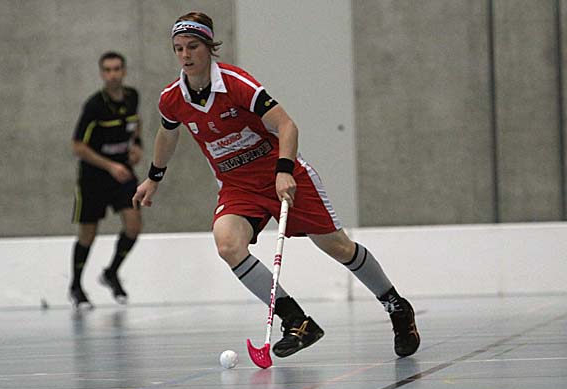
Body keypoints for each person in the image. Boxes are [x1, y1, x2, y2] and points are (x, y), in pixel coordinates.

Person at [133, 12, 420, 358]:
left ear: (209, 47)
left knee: (339, 247)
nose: (185, 55)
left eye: (192, 46)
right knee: (228, 245)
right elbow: (168, 134)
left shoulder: (237, 84)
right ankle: (297, 321)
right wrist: (154, 177)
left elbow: (287, 126)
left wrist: (284, 170)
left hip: (280, 173)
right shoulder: (172, 98)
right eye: (178, 48)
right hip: (237, 186)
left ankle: (396, 305)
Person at [70, 51, 143, 309]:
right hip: (94, 176)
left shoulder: (133, 96)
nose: (113, 75)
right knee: (88, 233)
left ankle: (111, 272)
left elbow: (136, 123)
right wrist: (110, 166)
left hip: (122, 173)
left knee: (133, 225)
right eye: (108, 70)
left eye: (117, 69)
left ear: (124, 71)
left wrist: (137, 145)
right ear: (102, 74)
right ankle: (76, 286)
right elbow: (78, 146)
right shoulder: (94, 106)